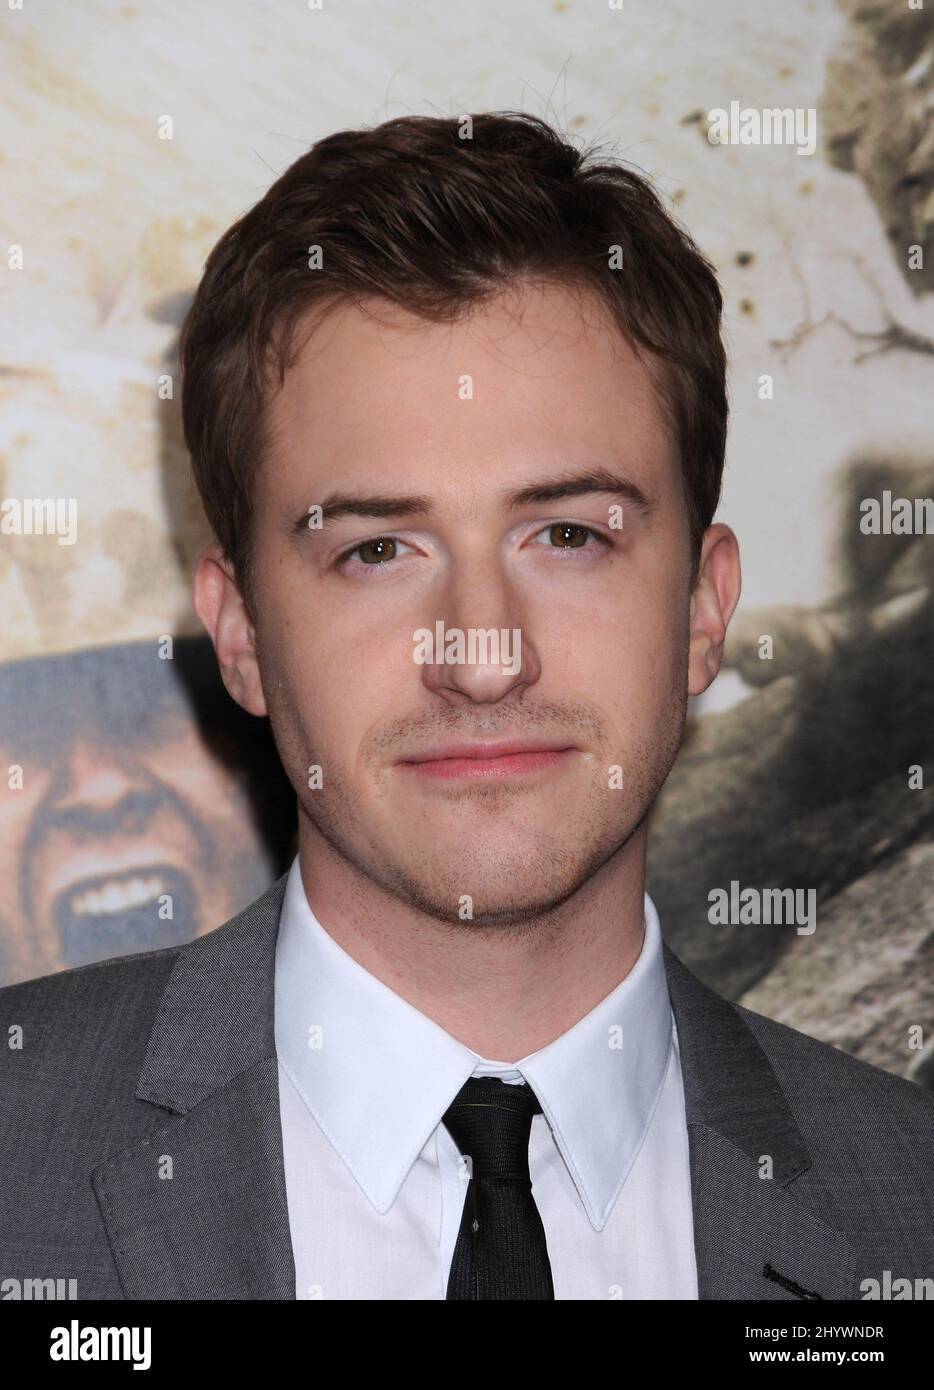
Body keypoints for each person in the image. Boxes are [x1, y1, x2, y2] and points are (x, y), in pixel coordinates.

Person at [1, 111, 931, 1302]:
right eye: (379, 549)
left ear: (704, 609)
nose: (482, 656)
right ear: (240, 635)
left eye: (566, 536)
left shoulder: (909, 1208)